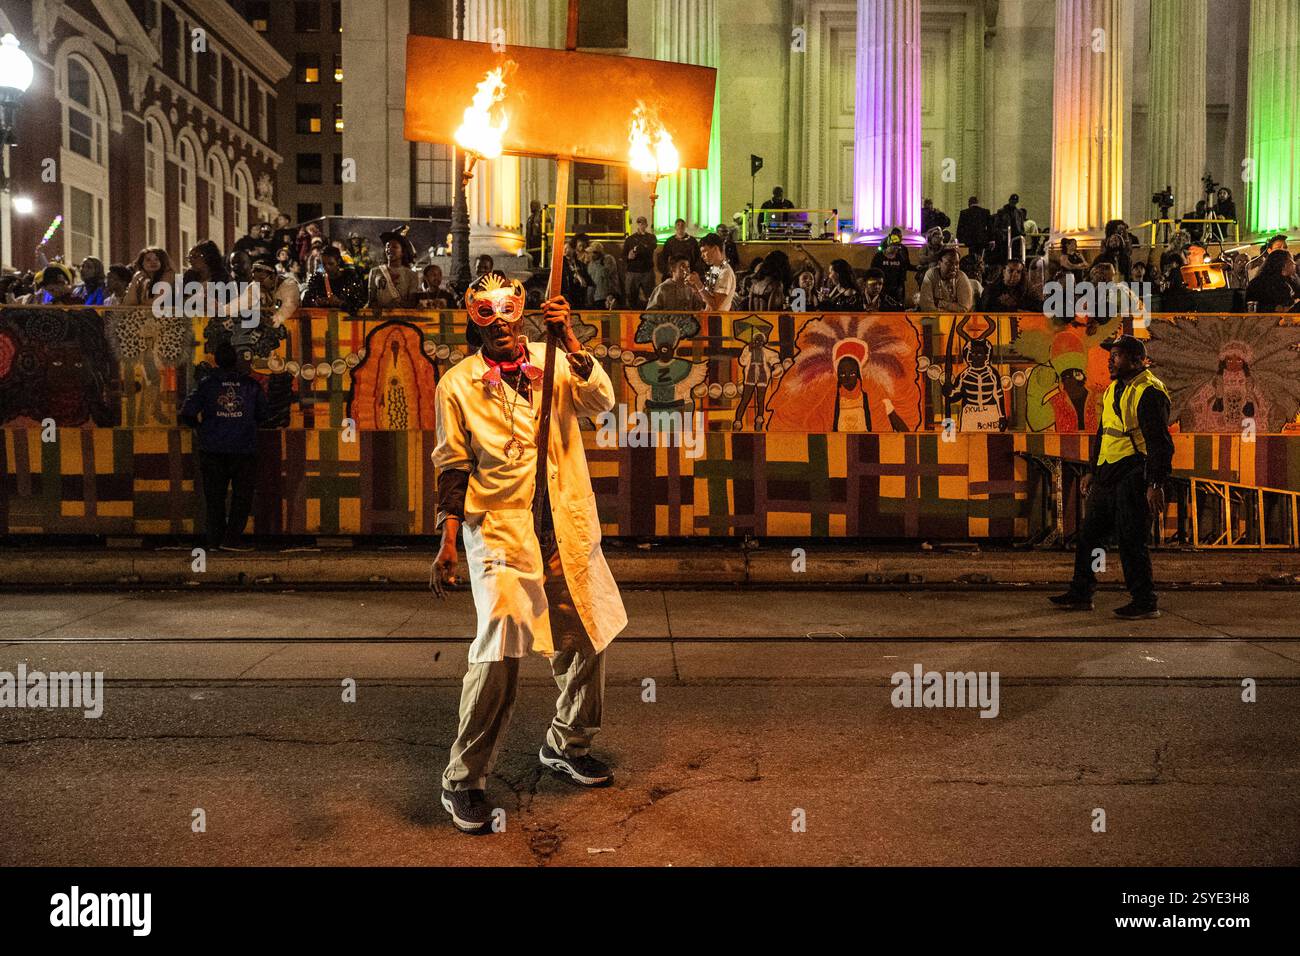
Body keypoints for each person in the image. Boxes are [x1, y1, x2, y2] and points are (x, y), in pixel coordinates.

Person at [431, 274, 628, 833]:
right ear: (475, 323)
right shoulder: (457, 384)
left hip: (563, 522)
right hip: (497, 528)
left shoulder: (556, 362)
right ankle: (463, 780)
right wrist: (447, 540)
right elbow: (451, 462)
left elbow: (603, 401)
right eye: (489, 319)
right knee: (502, 638)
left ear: (523, 319)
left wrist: (568, 340)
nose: (503, 329)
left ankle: (567, 743)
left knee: (586, 632)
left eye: (511, 318)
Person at [1050, 335, 1173, 619]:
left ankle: (1145, 601)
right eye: (1111, 355)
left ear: (1136, 360)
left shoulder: (1149, 391)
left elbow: (1160, 443)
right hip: (1108, 470)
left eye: (1116, 355)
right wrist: (1092, 470)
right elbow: (1104, 432)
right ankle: (1082, 592)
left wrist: (1155, 484)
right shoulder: (1113, 389)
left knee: (1132, 540)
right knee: (1091, 537)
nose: (1110, 360)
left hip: (1134, 471)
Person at [180, 342, 269, 552]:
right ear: (236, 360)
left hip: (212, 449)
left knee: (214, 497)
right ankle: (231, 540)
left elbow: (187, 412)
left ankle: (214, 541)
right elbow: (264, 414)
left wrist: (201, 428)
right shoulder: (251, 385)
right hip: (244, 449)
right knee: (242, 496)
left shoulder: (206, 384)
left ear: (216, 361)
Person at [301, 245, 366, 312]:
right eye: (324, 264)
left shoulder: (350, 279)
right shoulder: (317, 280)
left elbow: (359, 304)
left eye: (331, 264)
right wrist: (317, 302)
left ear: (338, 262)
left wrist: (340, 303)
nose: (327, 267)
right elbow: (305, 303)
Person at [367, 227, 421, 308]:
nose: (389, 249)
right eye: (387, 246)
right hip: (380, 319)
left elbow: (412, 302)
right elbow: (371, 301)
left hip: (403, 318)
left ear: (402, 252)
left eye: (394, 247)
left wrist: (397, 304)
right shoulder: (375, 272)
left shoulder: (411, 275)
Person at [688, 233, 736, 311]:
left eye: (704, 251)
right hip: (709, 319)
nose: (702, 256)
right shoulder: (714, 268)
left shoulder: (725, 272)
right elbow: (707, 300)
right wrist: (694, 287)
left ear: (715, 249)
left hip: (719, 320)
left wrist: (698, 283)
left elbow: (715, 306)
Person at [918, 247, 975, 312]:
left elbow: (964, 308)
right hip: (936, 319)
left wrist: (939, 303)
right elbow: (927, 306)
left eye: (956, 263)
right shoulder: (931, 275)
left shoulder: (961, 276)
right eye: (949, 263)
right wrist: (951, 308)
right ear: (939, 263)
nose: (954, 267)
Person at [622, 215, 658, 309]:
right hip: (633, 272)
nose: (641, 225)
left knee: (650, 297)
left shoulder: (651, 237)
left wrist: (637, 249)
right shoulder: (630, 239)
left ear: (646, 225)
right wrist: (629, 256)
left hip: (647, 271)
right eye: (639, 223)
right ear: (637, 224)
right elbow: (623, 256)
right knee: (631, 298)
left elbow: (651, 247)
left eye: (643, 223)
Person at [871, 230, 912, 305]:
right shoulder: (879, 257)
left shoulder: (899, 257)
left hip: (896, 289)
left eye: (897, 247)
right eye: (894, 246)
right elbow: (873, 271)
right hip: (882, 288)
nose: (896, 249)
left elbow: (903, 271)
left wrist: (900, 288)